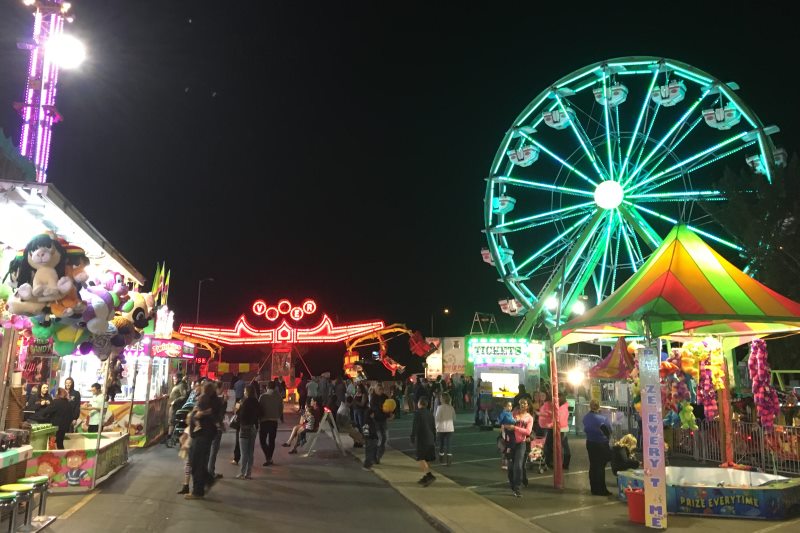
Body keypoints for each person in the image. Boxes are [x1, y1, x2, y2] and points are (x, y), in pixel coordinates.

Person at [185, 381, 218, 500]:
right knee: (198, 462)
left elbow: (202, 413)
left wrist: (198, 414)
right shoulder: (210, 399)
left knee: (196, 463)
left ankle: (198, 490)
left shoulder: (205, 399)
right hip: (203, 435)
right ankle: (207, 481)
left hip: (201, 436)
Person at [504, 398, 533, 498]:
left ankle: (517, 487)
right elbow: (505, 424)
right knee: (511, 467)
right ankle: (512, 484)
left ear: (528, 406)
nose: (523, 405)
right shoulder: (513, 413)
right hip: (511, 443)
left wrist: (515, 428)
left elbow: (528, 432)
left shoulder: (529, 418)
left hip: (521, 443)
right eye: (521, 403)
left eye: (525, 403)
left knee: (518, 465)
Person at [583, 399, 612, 496]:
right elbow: (609, 430)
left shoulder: (586, 417)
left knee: (593, 466)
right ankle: (602, 490)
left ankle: (594, 488)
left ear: (590, 406)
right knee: (600, 467)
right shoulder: (602, 419)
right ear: (598, 406)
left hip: (590, 443)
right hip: (601, 444)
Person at [235, 384, 261, 480]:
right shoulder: (256, 402)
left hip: (244, 427)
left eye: (245, 391)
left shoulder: (244, 402)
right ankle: (248, 473)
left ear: (247, 392)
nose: (244, 392)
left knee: (244, 452)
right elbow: (260, 414)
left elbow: (241, 416)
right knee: (250, 452)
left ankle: (242, 473)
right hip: (253, 427)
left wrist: (238, 409)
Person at [410, 397, 437, 486]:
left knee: (420, 458)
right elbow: (433, 427)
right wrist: (435, 438)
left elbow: (415, 426)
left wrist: (412, 436)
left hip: (422, 439)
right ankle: (426, 476)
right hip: (430, 438)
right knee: (427, 458)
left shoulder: (418, 413)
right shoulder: (430, 414)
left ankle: (429, 475)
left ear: (419, 403)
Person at [258, 380, 283, 466]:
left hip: (264, 421)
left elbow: (259, 408)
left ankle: (268, 457)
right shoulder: (279, 397)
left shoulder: (263, 396)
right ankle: (270, 458)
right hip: (274, 421)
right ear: (275, 387)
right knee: (272, 440)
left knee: (262, 441)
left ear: (267, 387)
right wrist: (277, 416)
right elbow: (281, 409)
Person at [206, 381, 226, 480]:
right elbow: (218, 414)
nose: (223, 390)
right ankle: (210, 472)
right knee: (213, 450)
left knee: (210, 450)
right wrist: (219, 425)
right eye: (222, 388)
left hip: (208, 428)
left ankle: (209, 471)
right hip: (215, 428)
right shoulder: (216, 400)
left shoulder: (206, 399)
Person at [369, 383, 391, 464]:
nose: (381, 391)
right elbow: (374, 409)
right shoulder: (373, 398)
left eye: (381, 389)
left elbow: (390, 407)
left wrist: (390, 414)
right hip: (376, 421)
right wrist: (382, 409)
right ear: (375, 390)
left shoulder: (385, 397)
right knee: (379, 438)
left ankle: (378, 456)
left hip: (383, 420)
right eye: (379, 389)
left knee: (385, 439)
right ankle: (374, 456)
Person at [435, 392, 456, 465]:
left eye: (441, 397)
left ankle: (441, 458)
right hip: (450, 428)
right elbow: (454, 418)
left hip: (441, 429)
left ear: (443, 399)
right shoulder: (451, 407)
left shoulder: (439, 408)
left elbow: (437, 419)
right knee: (449, 445)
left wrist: (436, 428)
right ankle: (449, 461)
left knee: (441, 444)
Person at [168, 374, 189, 440]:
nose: (174, 380)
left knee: (172, 421)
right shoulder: (176, 385)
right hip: (173, 406)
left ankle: (170, 436)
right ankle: (169, 436)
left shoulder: (181, 386)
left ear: (179, 378)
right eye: (173, 379)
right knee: (171, 421)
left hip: (176, 406)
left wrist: (175, 401)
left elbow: (184, 396)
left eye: (175, 379)